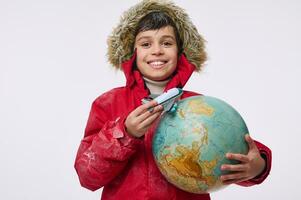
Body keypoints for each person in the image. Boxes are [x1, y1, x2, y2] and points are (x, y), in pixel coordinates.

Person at [74, 1, 272, 199]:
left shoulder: (199, 105)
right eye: (145, 44)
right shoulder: (108, 103)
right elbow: (87, 176)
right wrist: (125, 134)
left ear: (180, 51)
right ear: (132, 53)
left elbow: (230, 150)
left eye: (167, 43)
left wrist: (259, 165)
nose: (157, 50)